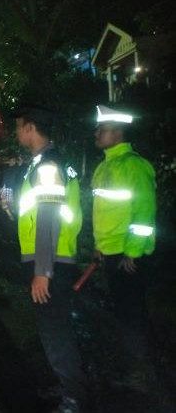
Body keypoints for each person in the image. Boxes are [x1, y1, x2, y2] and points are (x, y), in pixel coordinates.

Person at [12, 105, 87, 413]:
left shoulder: (48, 166)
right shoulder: (43, 164)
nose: (16, 132)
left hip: (50, 261)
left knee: (56, 334)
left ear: (30, 128)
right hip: (51, 258)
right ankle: (67, 387)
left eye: (18, 126)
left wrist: (42, 270)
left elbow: (48, 215)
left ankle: (74, 399)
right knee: (53, 332)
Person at [91, 104, 157, 381]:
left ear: (117, 133)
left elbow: (144, 214)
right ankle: (130, 362)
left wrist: (132, 253)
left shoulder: (134, 166)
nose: (96, 134)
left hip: (128, 256)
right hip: (110, 252)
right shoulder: (104, 166)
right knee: (122, 311)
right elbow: (102, 213)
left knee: (132, 313)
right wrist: (98, 247)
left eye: (101, 130)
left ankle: (142, 372)